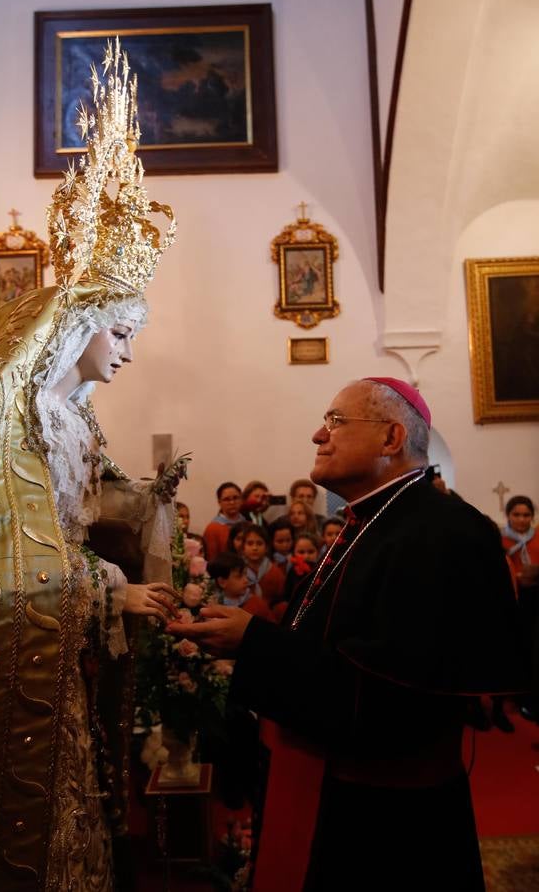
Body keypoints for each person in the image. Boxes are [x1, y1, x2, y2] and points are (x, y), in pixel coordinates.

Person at [0, 39, 179, 891]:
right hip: (13, 668)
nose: (127, 355)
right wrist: (107, 589)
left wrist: (146, 509)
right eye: (122, 334)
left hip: (63, 665)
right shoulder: (10, 422)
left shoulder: (78, 419)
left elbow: (90, 515)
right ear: (78, 329)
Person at [166, 376, 525, 892]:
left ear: (391, 439)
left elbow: (384, 699)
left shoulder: (442, 531)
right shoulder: (370, 521)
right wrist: (253, 637)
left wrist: (255, 643)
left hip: (389, 825)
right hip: (335, 790)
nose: (318, 434)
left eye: (336, 421)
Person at [502, 495, 539, 719]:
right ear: (508, 516)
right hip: (514, 599)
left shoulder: (538, 537)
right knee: (518, 645)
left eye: (526, 515)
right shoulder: (501, 540)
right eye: (516, 514)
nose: (522, 519)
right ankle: (517, 692)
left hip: (537, 597)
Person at [241, 525, 285, 606]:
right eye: (250, 544)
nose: (254, 548)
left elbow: (281, 597)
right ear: (243, 548)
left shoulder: (275, 572)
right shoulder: (238, 572)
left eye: (259, 543)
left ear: (267, 548)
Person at [202, 482, 244, 559]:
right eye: (227, 499)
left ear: (241, 499)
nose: (232, 502)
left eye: (235, 498)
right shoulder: (212, 528)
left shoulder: (248, 524)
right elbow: (211, 559)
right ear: (219, 502)